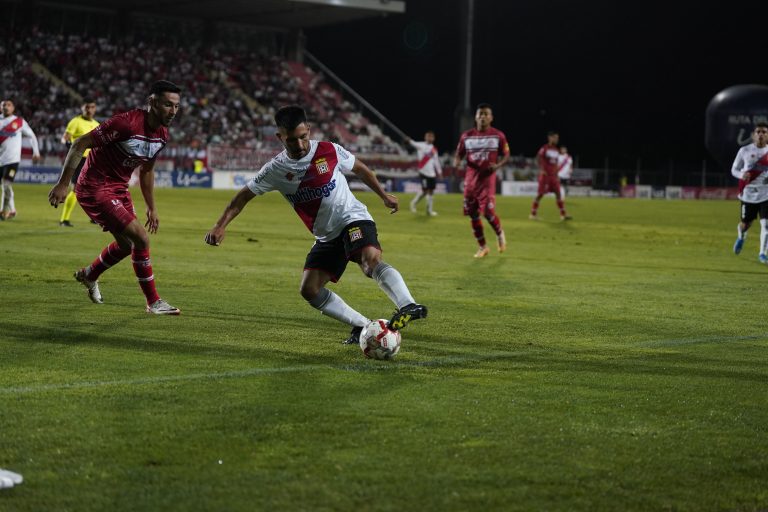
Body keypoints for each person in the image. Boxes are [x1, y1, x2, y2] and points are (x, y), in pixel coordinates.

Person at [204, 105, 427, 345]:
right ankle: (363, 326)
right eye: (292, 140)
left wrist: (383, 195)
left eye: (303, 137)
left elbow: (361, 169)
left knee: (369, 261)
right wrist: (220, 225)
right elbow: (241, 198)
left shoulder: (329, 150)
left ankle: (408, 305)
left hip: (352, 218)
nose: (300, 145)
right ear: (280, 137)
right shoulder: (275, 170)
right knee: (309, 290)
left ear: (309, 129)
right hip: (326, 236)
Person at [47, 80, 182, 315]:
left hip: (118, 189)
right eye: (167, 105)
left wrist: (152, 207)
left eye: (177, 106)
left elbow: (147, 171)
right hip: (94, 187)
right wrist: (63, 183)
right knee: (141, 239)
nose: (173, 111)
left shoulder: (161, 135)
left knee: (127, 245)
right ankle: (153, 302)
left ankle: (89, 275)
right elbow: (79, 143)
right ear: (152, 102)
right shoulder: (125, 123)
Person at [453, 103, 510, 258]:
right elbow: (459, 154)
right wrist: (456, 162)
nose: (483, 116)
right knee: (472, 214)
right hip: (470, 181)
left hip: (487, 180)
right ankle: (482, 247)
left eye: (486, 114)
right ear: (476, 117)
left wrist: (497, 165)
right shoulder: (466, 136)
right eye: (480, 114)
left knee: (488, 213)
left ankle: (500, 234)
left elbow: (506, 154)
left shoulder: (498, 135)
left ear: (491, 118)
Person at [58, 98, 99, 227]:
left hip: (91, 160)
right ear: (82, 108)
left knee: (93, 188)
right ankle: (64, 219)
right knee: (76, 189)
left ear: (95, 109)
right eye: (87, 107)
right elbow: (65, 138)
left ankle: (94, 216)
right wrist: (68, 144)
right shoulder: (75, 122)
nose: (89, 110)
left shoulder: (97, 124)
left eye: (92, 107)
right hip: (78, 158)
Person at [731, 123, 768, 262]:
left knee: (766, 225)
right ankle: (741, 237)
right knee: (745, 224)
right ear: (753, 135)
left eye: (764, 132)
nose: (761, 134)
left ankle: (762, 253)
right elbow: (734, 169)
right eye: (758, 132)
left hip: (766, 194)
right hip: (748, 195)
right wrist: (742, 175)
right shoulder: (744, 150)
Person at [0, 99, 41, 220]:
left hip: (12, 160)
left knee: (6, 185)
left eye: (8, 105)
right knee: (5, 186)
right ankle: (12, 210)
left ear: (13, 108)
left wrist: (36, 151)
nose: (6, 107)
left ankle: (3, 211)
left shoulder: (19, 122)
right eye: (3, 105)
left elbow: (32, 136)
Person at [530, 131, 571, 221]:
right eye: (555, 138)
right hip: (545, 176)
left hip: (553, 176)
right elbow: (538, 158)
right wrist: (541, 169)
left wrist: (557, 174)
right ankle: (533, 214)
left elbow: (555, 163)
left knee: (558, 194)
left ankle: (563, 215)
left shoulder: (556, 150)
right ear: (550, 137)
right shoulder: (544, 148)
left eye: (557, 138)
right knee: (540, 194)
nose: (557, 139)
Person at [406, 130, 443, 216]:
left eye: (431, 136)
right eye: (428, 136)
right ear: (425, 137)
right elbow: (412, 142)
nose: (429, 138)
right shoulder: (420, 145)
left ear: (433, 138)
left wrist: (439, 172)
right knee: (425, 190)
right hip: (423, 172)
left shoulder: (434, 149)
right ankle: (414, 204)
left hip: (432, 173)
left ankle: (429, 210)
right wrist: (409, 140)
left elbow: (436, 162)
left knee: (430, 191)